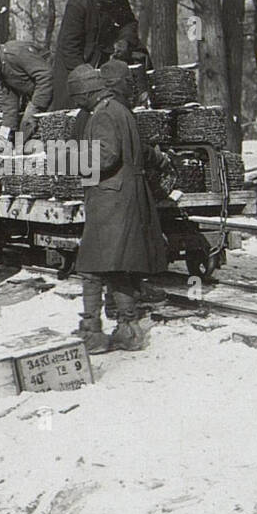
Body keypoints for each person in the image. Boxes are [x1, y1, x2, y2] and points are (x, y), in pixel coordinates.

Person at [70, 64, 167, 353]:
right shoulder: (121, 110)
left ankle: (93, 333)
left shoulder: (102, 115)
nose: (76, 103)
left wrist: (68, 161)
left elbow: (106, 156)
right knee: (117, 268)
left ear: (87, 92)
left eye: (77, 96)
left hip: (109, 199)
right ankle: (129, 329)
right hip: (125, 196)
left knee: (89, 268)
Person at [50, 0, 139, 110]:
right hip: (74, 63)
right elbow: (69, 46)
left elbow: (129, 22)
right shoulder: (78, 3)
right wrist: (86, 76)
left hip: (101, 59)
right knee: (74, 109)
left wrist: (124, 40)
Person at [0, 38, 53, 140]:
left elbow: (46, 75)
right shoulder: (1, 67)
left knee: (28, 127)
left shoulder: (15, 53)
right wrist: (6, 133)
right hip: (40, 93)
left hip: (55, 90)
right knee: (19, 133)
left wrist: (36, 105)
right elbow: (10, 100)